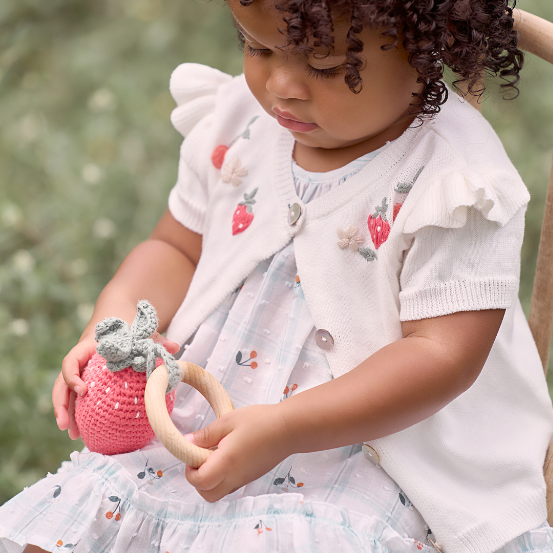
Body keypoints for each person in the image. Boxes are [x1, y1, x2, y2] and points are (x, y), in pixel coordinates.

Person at [2, 0, 553, 551]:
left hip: (375, 451)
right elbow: (175, 248)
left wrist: (288, 427)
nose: (282, 86)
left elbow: (441, 356)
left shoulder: (455, 179)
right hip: (210, 420)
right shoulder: (241, 120)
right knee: (81, 523)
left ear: (430, 43)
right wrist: (112, 327)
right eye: (257, 47)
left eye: (327, 66)